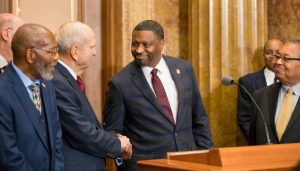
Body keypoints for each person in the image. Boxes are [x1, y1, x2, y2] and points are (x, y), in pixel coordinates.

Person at [103, 20, 213, 170]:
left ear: (161, 44)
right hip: (147, 166)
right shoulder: (120, 83)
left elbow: (199, 118)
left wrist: (206, 156)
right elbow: (113, 131)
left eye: (146, 44)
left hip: (189, 163)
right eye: (135, 44)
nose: (139, 50)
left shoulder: (184, 69)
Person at [52, 21, 132, 171]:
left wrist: (115, 139)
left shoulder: (67, 79)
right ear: (75, 51)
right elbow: (80, 131)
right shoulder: (58, 81)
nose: (94, 52)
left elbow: (87, 124)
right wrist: (118, 145)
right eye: (92, 47)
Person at [0, 24, 64, 171]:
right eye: (52, 51)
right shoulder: (3, 92)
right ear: (30, 55)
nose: (57, 57)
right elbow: (8, 155)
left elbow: (56, 139)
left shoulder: (47, 85)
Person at [250, 40, 300, 145]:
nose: (277, 62)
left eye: (286, 59)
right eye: (278, 57)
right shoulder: (260, 96)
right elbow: (254, 141)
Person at [237, 38, 283, 141]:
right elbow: (244, 119)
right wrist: (261, 141)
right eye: (269, 52)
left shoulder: (293, 80)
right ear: (263, 55)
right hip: (260, 145)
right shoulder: (247, 82)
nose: (273, 56)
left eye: (277, 53)